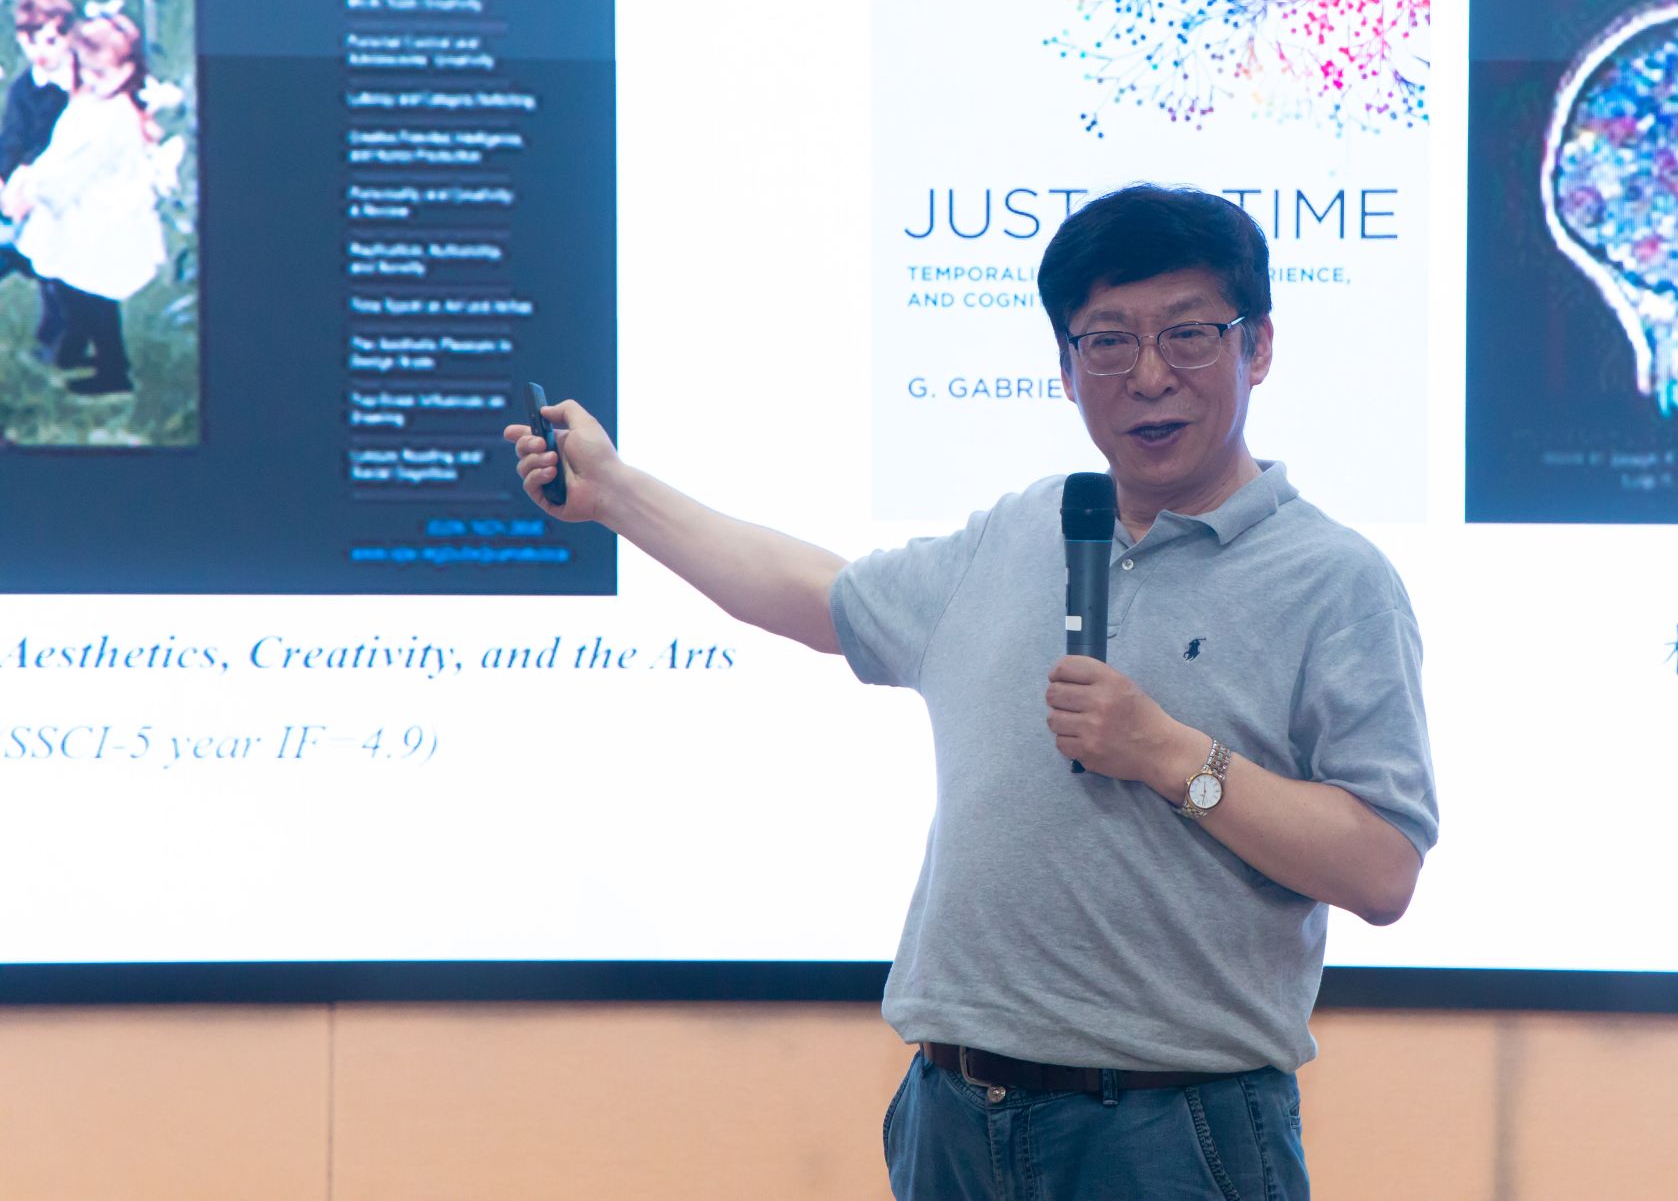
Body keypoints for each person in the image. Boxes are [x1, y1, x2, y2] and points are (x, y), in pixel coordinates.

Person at [505, 185, 1436, 1198]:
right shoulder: (1020, 531)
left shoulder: (1334, 581)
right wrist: (615, 493)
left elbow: (1382, 868)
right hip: (955, 1115)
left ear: (1257, 348)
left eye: (1188, 334)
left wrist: (1174, 756)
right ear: (1066, 370)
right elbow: (814, 595)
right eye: (1108, 342)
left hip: (1176, 1129)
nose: (1148, 375)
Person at [0, 11, 166, 396]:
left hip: (99, 221)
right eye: (85, 70)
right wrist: (28, 178)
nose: (91, 80)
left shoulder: (115, 117)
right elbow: (60, 153)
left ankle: (113, 370)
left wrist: (30, 192)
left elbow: (75, 171)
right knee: (69, 286)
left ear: (128, 70)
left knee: (90, 294)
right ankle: (75, 348)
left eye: (101, 73)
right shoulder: (89, 102)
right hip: (77, 212)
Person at [0, 0, 77, 361]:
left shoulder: (79, 89)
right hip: (20, 187)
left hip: (60, 186)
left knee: (55, 260)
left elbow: (67, 146)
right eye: (31, 42)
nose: (41, 52)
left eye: (50, 41)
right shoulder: (23, 87)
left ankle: (58, 336)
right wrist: (5, 181)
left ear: (69, 39)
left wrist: (29, 183)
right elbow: (12, 138)